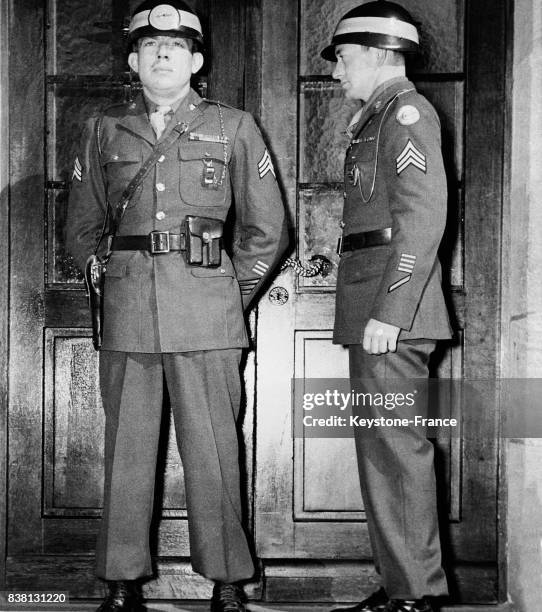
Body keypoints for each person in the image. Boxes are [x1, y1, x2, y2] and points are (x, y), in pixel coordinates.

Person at [66, 1, 287, 611]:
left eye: (177, 45)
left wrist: (227, 294)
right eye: (151, 44)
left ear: (197, 60)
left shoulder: (234, 126)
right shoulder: (104, 128)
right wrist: (107, 286)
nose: (163, 53)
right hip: (131, 311)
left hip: (208, 313)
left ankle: (227, 581)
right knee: (128, 454)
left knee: (215, 449)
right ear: (134, 59)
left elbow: (267, 231)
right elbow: (81, 228)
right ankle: (120, 580)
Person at [320, 2, 453, 612]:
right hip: (377, 308)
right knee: (384, 450)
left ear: (377, 54)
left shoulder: (405, 112)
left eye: (344, 58)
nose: (338, 71)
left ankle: (417, 594)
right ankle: (404, 583)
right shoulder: (377, 117)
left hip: (392, 314)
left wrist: (391, 312)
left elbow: (422, 219)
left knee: (396, 450)